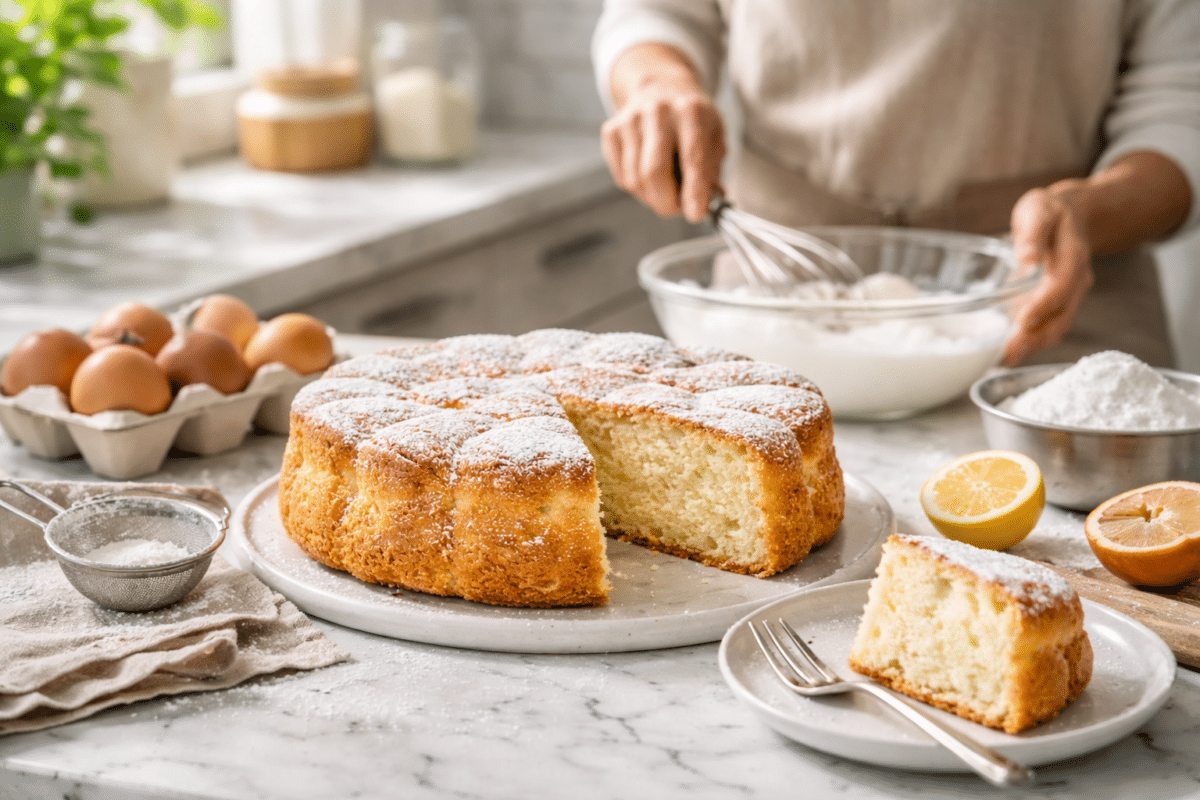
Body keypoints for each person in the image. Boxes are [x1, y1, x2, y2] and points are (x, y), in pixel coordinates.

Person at [592, 1, 1199, 367]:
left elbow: (1180, 111)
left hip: (1052, 304)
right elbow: (652, 17)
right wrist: (655, 82)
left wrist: (1087, 213)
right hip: (774, 298)